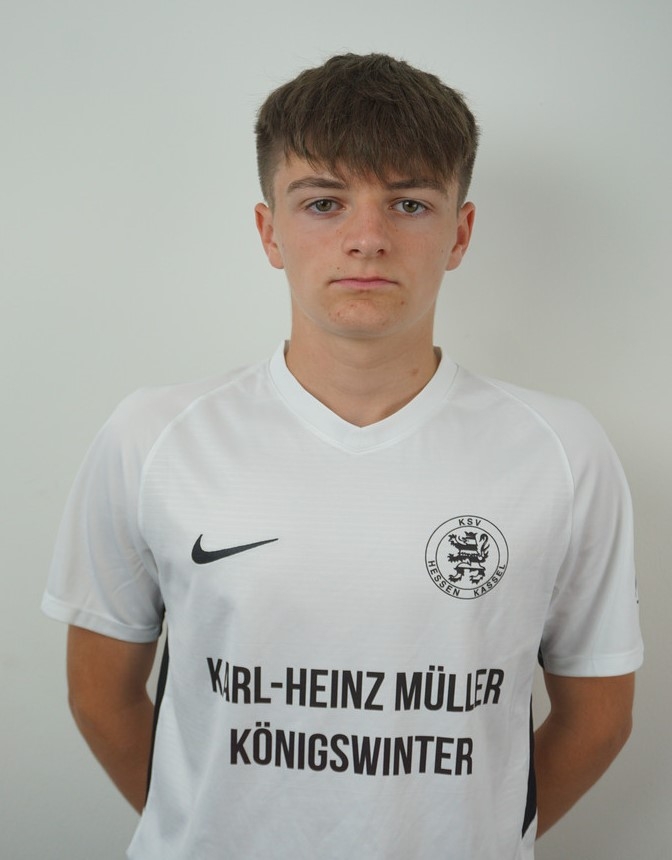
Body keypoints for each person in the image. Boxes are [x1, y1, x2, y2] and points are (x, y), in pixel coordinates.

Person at [42, 53, 643, 859]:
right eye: (324, 203)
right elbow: (99, 695)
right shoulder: (153, 438)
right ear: (270, 232)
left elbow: (598, 718)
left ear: (460, 233)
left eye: (409, 203)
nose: (368, 239)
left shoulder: (562, 452)